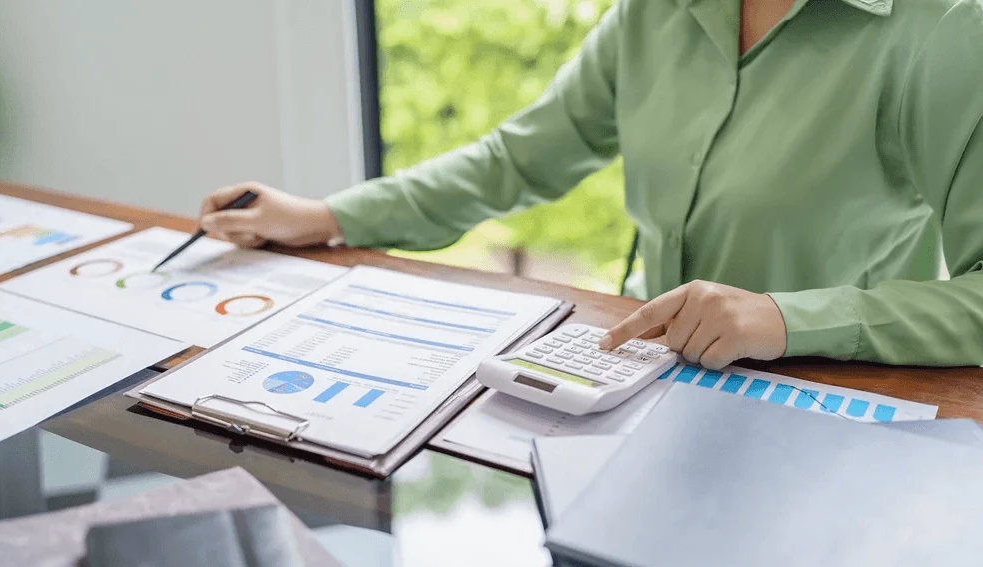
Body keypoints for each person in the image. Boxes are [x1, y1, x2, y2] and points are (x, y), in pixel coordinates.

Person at [200, 0, 983, 370]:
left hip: (833, 407)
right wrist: (329, 214)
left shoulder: (944, 30)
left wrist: (785, 318)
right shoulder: (655, 12)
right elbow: (518, 159)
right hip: (648, 383)